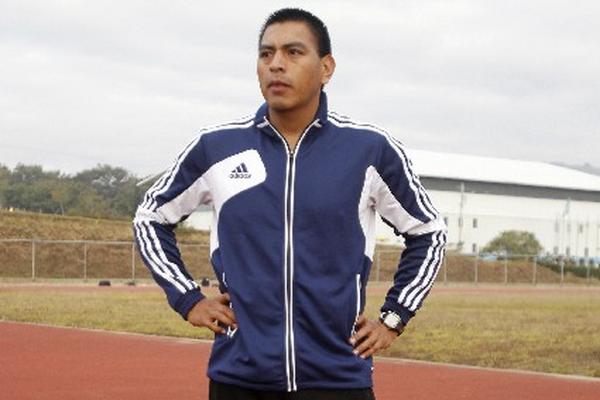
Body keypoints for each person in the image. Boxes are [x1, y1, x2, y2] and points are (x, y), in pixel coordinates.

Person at [133, 7, 447, 400]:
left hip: (337, 379)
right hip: (239, 378)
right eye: (266, 54)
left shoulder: (368, 150)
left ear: (326, 67)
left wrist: (394, 317)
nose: (276, 65)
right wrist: (188, 298)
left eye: (293, 52)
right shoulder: (216, 148)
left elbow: (429, 232)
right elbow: (150, 217)